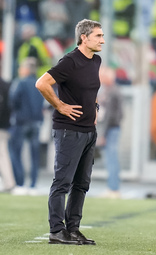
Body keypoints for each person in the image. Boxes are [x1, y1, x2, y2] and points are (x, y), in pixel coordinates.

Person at [36, 19, 104, 245]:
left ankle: (73, 229)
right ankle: (57, 230)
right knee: (62, 182)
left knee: (82, 184)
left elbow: (92, 89)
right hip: (68, 130)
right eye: (98, 36)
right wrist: (60, 105)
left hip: (88, 131)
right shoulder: (69, 61)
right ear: (84, 38)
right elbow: (42, 83)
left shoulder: (96, 61)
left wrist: (94, 107)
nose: (103, 40)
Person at [8, 57, 44, 196]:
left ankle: (20, 183)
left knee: (15, 151)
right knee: (35, 155)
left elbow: (13, 99)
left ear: (26, 69)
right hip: (36, 122)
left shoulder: (20, 83)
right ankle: (33, 185)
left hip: (21, 121)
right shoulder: (39, 83)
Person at [97, 66, 123, 199]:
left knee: (111, 158)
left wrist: (103, 134)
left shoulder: (112, 92)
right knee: (110, 158)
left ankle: (114, 188)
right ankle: (112, 187)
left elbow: (110, 115)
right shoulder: (108, 91)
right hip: (111, 128)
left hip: (111, 129)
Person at [0, 77, 16, 192]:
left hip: (2, 126)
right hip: (5, 125)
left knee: (2, 155)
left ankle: (9, 183)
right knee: (3, 155)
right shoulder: (7, 85)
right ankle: (9, 182)